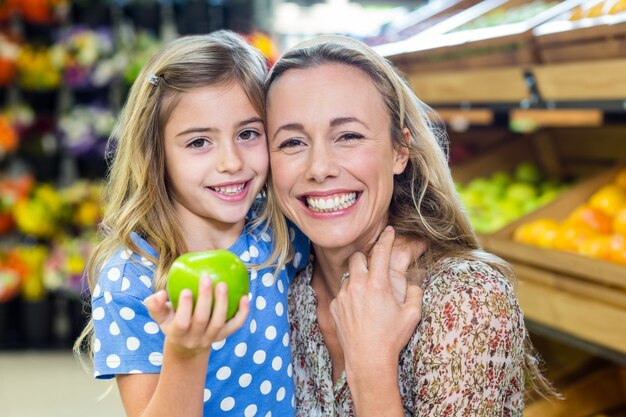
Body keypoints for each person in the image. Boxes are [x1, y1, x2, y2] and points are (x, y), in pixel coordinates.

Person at [264, 35, 555, 416]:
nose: (319, 168)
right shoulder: (282, 295)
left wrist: (370, 365)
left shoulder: (465, 300)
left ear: (400, 151)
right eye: (291, 143)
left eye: (348, 136)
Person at [73, 31, 312, 417]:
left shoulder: (278, 232)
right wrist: (187, 352)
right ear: (156, 153)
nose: (231, 162)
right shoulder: (132, 278)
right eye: (199, 142)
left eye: (248, 133)